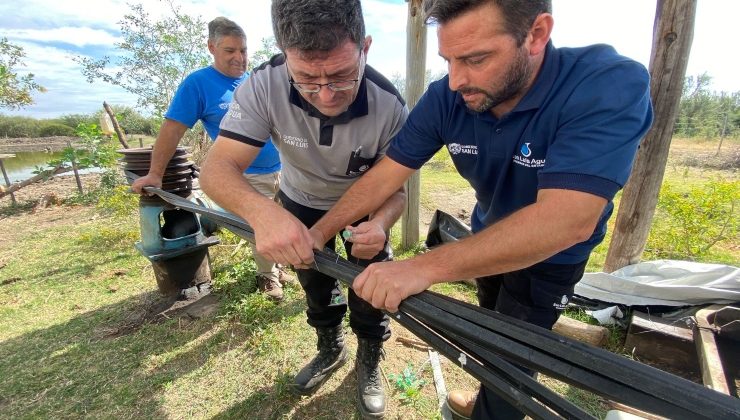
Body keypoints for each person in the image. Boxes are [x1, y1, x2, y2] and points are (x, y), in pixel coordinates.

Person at [277, 1, 652, 419]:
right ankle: (488, 391)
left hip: (552, 260)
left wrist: (420, 267)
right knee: (490, 334)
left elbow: (567, 221)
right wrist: (319, 232)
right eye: (448, 60)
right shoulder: (448, 98)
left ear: (537, 34)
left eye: (475, 59)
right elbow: (384, 177)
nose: (456, 79)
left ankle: (494, 406)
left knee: (515, 365)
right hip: (487, 240)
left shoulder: (603, 84)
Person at [199, 1, 408, 418]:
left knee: (371, 286)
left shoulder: (391, 107)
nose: (326, 95)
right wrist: (263, 213)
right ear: (282, 52)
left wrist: (381, 223)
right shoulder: (262, 85)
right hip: (298, 204)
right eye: (307, 79)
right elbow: (216, 170)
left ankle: (370, 358)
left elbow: (395, 192)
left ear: (365, 47)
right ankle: (330, 346)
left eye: (342, 76)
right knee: (313, 281)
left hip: (365, 213)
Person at [131, 17, 291, 301]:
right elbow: (172, 129)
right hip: (246, 174)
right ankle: (267, 277)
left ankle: (276, 266)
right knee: (261, 225)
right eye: (230, 50)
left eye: (243, 50)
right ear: (211, 48)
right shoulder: (199, 84)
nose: (239, 57)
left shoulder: (253, 80)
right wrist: (155, 173)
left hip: (282, 169)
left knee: (282, 220)